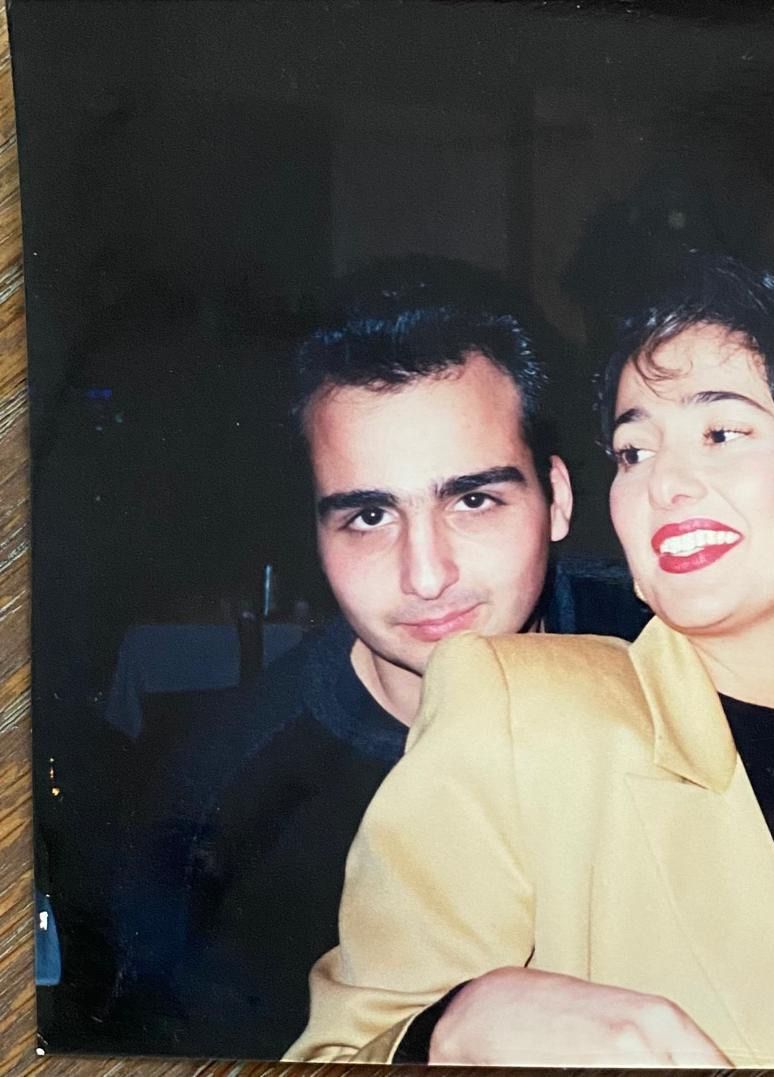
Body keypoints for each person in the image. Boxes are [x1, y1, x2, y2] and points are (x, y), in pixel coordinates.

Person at [287, 254, 774, 1069]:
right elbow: (335, 1055)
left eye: (720, 433)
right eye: (633, 451)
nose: (664, 482)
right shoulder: (520, 719)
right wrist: (448, 1030)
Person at [106, 257, 645, 1058]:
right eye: (368, 516)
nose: (425, 575)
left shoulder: (666, 650)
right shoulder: (224, 815)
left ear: (557, 499)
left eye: (473, 499)